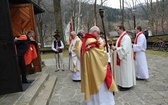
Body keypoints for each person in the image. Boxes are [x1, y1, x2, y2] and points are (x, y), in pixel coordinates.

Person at [81, 26, 118, 105]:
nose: (98, 35)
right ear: (94, 31)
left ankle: (93, 101)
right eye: (97, 33)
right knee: (101, 89)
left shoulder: (86, 40)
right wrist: (107, 54)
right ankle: (103, 102)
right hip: (97, 70)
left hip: (91, 67)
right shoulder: (92, 41)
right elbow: (98, 56)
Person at [112, 26, 136, 90]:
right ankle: (121, 84)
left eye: (118, 30)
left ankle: (126, 85)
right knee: (122, 72)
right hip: (121, 58)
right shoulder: (121, 37)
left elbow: (124, 49)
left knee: (125, 72)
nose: (117, 31)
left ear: (122, 29)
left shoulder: (126, 38)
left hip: (125, 58)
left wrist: (116, 48)